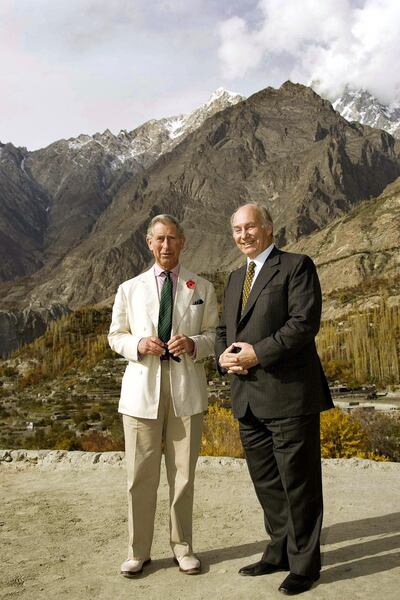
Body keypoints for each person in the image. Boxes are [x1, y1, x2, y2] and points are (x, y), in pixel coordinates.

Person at [215, 203, 333, 595]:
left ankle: (305, 565)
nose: (243, 235)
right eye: (236, 229)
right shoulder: (234, 278)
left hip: (288, 396)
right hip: (247, 397)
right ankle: (279, 550)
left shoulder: (297, 266)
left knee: (298, 483)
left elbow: (303, 324)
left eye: (250, 227)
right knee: (267, 482)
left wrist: (257, 354)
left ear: (268, 229)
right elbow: (222, 328)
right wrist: (222, 357)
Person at [108, 214, 218, 577]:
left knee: (183, 475)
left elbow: (215, 335)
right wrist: (138, 343)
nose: (166, 246)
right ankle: (137, 551)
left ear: (183, 242)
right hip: (142, 393)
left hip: (186, 391)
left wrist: (193, 343)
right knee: (140, 476)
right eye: (160, 239)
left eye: (172, 238)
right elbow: (115, 335)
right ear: (149, 243)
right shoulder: (129, 288)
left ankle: (183, 547)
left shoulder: (201, 287)